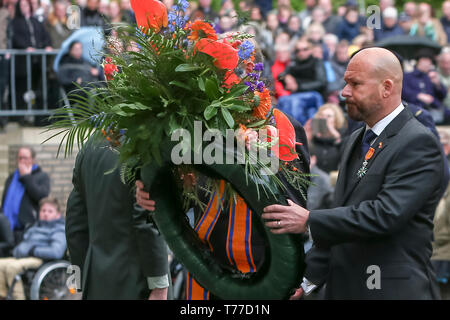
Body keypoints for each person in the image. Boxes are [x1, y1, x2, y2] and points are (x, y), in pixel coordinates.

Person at [263, 47, 445, 299]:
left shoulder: (417, 142)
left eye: (355, 84)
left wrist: (309, 220)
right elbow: (343, 219)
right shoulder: (356, 138)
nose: (343, 92)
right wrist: (306, 280)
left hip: (391, 291)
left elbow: (386, 214)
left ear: (387, 87)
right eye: (345, 82)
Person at [136, 114, 311, 300]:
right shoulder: (193, 119)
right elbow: (175, 197)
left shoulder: (281, 126)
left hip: (265, 274)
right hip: (204, 269)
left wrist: (257, 153)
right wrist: (150, 193)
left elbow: (293, 209)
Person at [66, 137, 170, 300]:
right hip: (136, 282)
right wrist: (159, 285)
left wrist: (81, 280)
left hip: (96, 282)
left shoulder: (89, 148)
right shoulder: (142, 145)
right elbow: (146, 219)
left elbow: (75, 224)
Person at [0, 197, 66, 300]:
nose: (45, 213)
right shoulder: (34, 227)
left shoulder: (59, 229)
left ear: (57, 214)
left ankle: (18, 297)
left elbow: (56, 251)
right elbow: (22, 246)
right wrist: (19, 251)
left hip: (43, 260)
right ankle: (3, 295)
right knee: (1, 264)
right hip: (25, 257)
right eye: (43, 210)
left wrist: (33, 250)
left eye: (50, 211)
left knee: (12, 268)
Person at [1, 146, 50, 244]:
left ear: (32, 159)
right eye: (20, 158)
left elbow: (41, 197)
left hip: (26, 229)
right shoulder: (11, 177)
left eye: (25, 158)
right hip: (7, 229)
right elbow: (5, 201)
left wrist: (26, 177)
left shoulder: (41, 176)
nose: (22, 161)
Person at [402, 49, 447, 124]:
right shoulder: (408, 76)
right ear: (418, 61)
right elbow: (403, 92)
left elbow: (443, 95)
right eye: (424, 60)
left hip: (434, 111)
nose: (427, 64)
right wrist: (418, 96)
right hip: (414, 111)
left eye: (429, 62)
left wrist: (437, 84)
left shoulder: (431, 76)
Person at [308, 103, 346, 173]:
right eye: (321, 115)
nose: (324, 118)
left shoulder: (343, 139)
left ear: (336, 120)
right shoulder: (312, 138)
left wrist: (334, 134)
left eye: (329, 116)